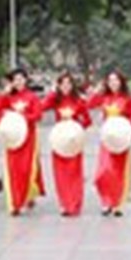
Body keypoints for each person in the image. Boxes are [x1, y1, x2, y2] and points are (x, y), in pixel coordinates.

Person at [45, 72, 92, 216]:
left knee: (74, 173)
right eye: (62, 83)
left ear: (73, 86)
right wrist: (51, 94)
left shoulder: (79, 101)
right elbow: (41, 107)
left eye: (68, 83)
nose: (65, 86)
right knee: (60, 173)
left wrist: (77, 126)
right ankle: (64, 204)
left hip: (73, 140)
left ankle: (75, 204)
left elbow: (88, 120)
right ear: (58, 85)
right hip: (59, 139)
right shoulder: (55, 100)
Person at [0, 68, 46, 215]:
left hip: (28, 138)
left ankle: (26, 195)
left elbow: (38, 115)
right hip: (12, 138)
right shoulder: (8, 97)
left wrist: (21, 117)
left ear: (26, 80)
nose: (18, 82)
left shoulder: (32, 97)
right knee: (13, 169)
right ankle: (15, 203)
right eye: (15, 79)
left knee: (26, 168)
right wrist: (4, 94)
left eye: (21, 79)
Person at [91, 70, 131, 216]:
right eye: (110, 80)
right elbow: (88, 104)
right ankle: (105, 200)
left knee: (118, 172)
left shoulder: (127, 99)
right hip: (107, 139)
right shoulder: (104, 98)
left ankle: (116, 204)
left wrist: (129, 130)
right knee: (103, 172)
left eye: (116, 80)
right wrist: (96, 92)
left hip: (121, 139)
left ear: (121, 82)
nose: (113, 83)